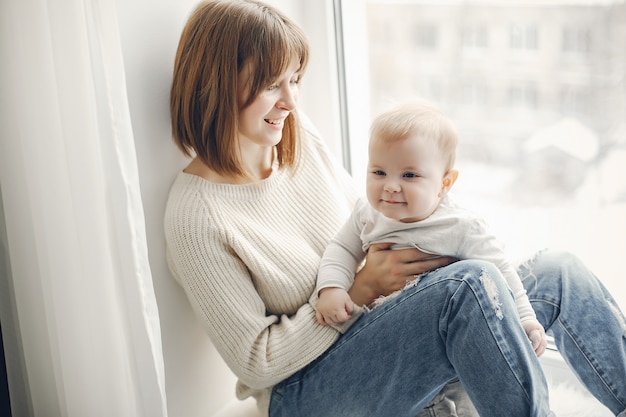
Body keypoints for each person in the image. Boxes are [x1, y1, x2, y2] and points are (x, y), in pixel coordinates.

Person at [164, 1, 626, 416]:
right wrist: (361, 287)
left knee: (556, 273)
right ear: (219, 83)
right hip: (305, 391)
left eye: (295, 80)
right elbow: (256, 361)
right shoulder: (198, 216)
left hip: (381, 325)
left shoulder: (293, 138)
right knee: (469, 286)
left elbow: (371, 220)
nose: (290, 101)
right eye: (271, 84)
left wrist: (443, 235)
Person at [315, 102, 547, 358]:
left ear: (445, 183)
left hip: (441, 337)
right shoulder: (366, 212)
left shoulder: (461, 226)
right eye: (379, 172)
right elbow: (342, 249)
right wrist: (332, 288)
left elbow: (500, 274)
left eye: (409, 176)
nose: (391, 186)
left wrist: (524, 317)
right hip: (380, 334)